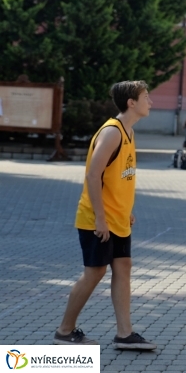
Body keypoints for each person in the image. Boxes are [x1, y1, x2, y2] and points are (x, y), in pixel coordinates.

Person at [54, 81, 157, 350]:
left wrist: (126, 210)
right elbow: (92, 174)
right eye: (146, 97)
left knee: (123, 267)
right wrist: (100, 218)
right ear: (131, 102)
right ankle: (64, 331)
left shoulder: (129, 132)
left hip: (118, 218)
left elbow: (119, 178)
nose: (151, 101)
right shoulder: (112, 132)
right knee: (95, 272)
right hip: (97, 218)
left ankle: (125, 334)